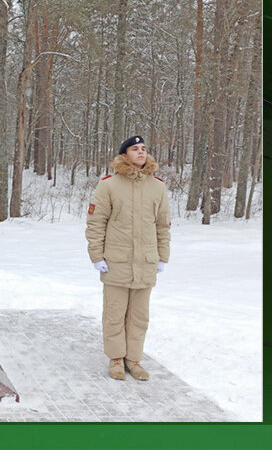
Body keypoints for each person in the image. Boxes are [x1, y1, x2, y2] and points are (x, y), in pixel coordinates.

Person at [85, 136, 171, 381]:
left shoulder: (157, 187)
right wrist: (96, 256)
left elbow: (163, 225)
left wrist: (162, 256)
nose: (141, 152)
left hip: (145, 263)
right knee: (114, 314)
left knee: (139, 316)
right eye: (135, 149)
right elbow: (95, 223)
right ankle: (115, 359)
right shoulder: (109, 185)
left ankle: (134, 359)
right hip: (116, 262)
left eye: (144, 149)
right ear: (125, 154)